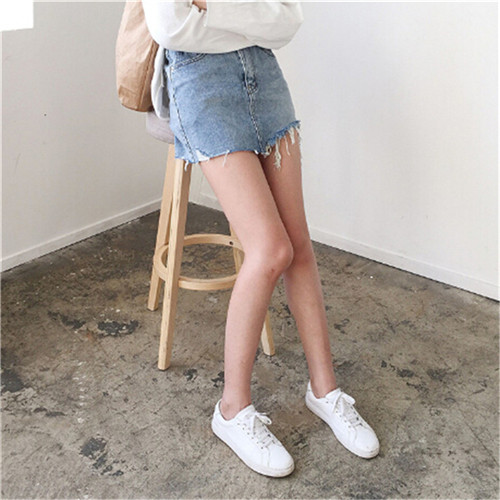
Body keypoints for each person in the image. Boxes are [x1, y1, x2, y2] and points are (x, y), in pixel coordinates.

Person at [142, 0, 380, 477]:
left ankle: (325, 391)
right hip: (200, 85)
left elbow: (286, 21)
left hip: (263, 78)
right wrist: (248, 14)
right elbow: (172, 25)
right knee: (272, 250)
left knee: (299, 246)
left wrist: (213, 8)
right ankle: (232, 410)